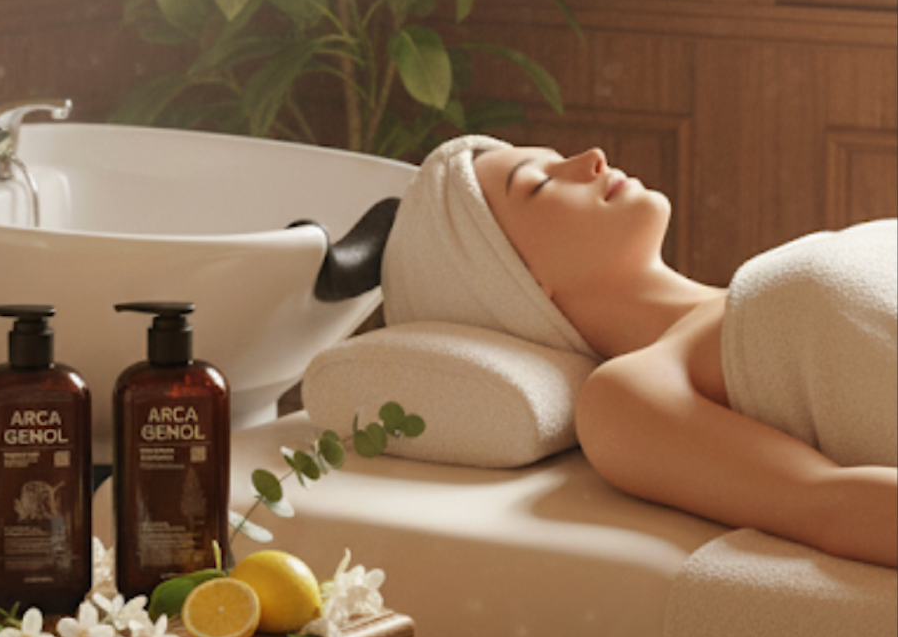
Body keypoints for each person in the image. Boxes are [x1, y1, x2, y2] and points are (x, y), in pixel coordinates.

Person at [380, 134, 897, 569]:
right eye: (539, 184)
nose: (591, 158)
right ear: (516, 283)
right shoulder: (626, 395)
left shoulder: (740, 295)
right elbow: (828, 503)